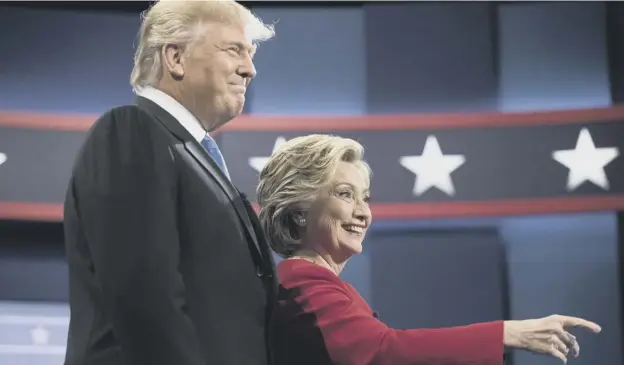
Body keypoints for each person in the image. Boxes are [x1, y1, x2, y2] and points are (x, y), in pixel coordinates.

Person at [255, 134, 602, 365]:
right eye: (345, 194)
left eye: (366, 198)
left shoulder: (322, 283)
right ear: (299, 211)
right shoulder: (300, 280)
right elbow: (381, 351)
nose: (363, 212)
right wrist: (508, 333)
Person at [62, 1, 276, 365]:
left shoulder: (194, 157)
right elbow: (145, 298)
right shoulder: (131, 132)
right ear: (175, 57)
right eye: (234, 50)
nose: (250, 69)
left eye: (251, 54)